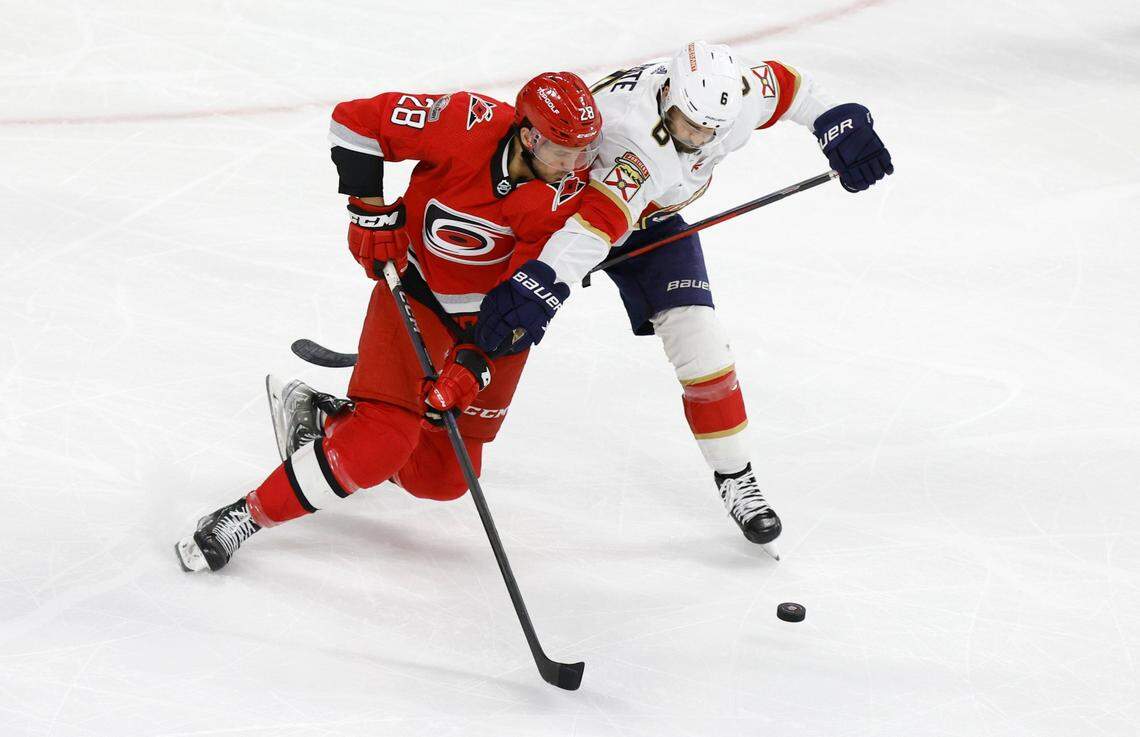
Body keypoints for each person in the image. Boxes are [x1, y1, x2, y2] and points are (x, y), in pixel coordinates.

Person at [176, 71, 602, 572]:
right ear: (528, 135)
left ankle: (326, 421)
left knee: (443, 479)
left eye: (583, 152)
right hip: (415, 292)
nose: (575, 166)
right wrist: (369, 213)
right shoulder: (465, 120)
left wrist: (472, 364)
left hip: (493, 321)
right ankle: (244, 516)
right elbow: (356, 123)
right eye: (562, 151)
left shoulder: (572, 198)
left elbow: (522, 303)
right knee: (380, 444)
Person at [528, 41, 894, 555]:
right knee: (504, 313)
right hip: (563, 209)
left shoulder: (736, 96)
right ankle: (396, 375)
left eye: (709, 131)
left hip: (651, 224)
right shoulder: (629, 129)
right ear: (666, 96)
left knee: (702, 345)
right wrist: (550, 278)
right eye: (687, 125)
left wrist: (836, 122)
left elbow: (795, 89)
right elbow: (591, 227)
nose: (698, 139)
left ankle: (736, 477)